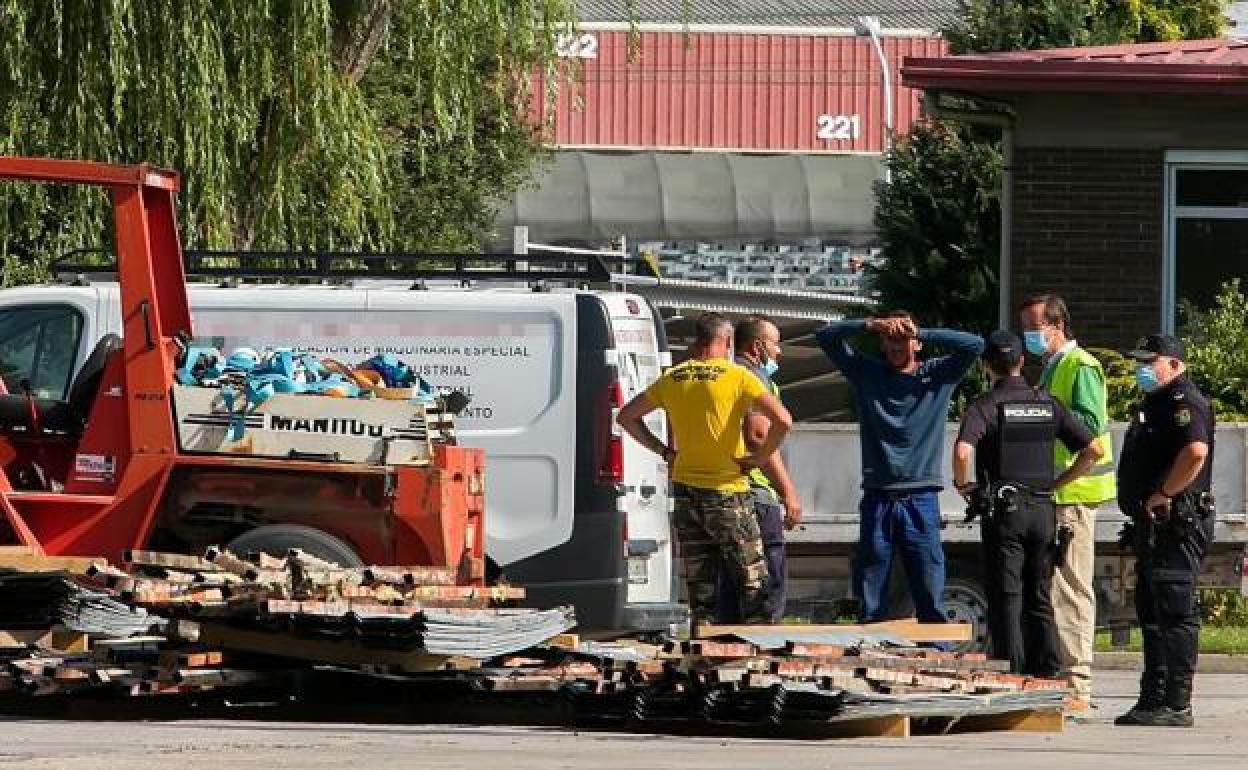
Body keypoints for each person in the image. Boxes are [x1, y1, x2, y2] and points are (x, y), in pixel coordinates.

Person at [616, 312, 793, 625]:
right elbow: (782, 420)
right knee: (753, 584)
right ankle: (755, 655)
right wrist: (759, 456)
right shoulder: (737, 377)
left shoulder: (674, 377)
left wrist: (663, 451)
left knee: (702, 588)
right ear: (727, 342)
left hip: (686, 492)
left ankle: (702, 654)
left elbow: (627, 416)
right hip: (728, 493)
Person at [952, 331, 1104, 676]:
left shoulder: (985, 406)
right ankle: (1047, 671)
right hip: (1043, 510)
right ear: (1022, 361)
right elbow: (1093, 449)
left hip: (1006, 513)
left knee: (1007, 595)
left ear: (987, 366)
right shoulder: (1047, 403)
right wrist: (1059, 482)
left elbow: (963, 452)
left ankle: (1011, 672)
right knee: (1040, 593)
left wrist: (965, 485)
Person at [816, 312, 984, 623]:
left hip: (921, 496)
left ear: (917, 344)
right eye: (889, 338)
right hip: (878, 495)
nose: (895, 345)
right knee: (872, 572)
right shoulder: (867, 373)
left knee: (927, 572)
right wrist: (870, 324)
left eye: (903, 338)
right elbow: (826, 337)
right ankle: (871, 638)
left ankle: (936, 645)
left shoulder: (937, 375)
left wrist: (922, 331)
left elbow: (974, 345)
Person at [1019, 294, 1116, 709]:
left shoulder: (1081, 367)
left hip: (1073, 494)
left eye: (1033, 327)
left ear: (1056, 327)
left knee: (1071, 590)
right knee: (1054, 589)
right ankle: (1065, 681)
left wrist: (1049, 416)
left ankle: (1077, 687)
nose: (1028, 336)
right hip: (1057, 492)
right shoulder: (1054, 368)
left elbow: (1090, 429)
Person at [1114, 334, 1216, 728]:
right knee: (1152, 611)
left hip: (1177, 523)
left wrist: (1164, 493)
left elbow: (1195, 452)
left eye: (1149, 361)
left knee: (1175, 612)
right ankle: (1153, 697)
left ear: (1174, 364)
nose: (1142, 368)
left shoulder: (1183, 401)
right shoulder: (1155, 403)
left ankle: (1177, 702)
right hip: (1154, 526)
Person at [714, 315, 802, 623]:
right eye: (776, 345)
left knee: (732, 581)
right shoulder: (753, 379)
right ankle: (761, 648)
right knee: (767, 578)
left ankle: (726, 648)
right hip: (755, 493)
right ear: (758, 346)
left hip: (725, 492)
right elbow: (758, 436)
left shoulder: (722, 375)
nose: (779, 353)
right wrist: (787, 491)